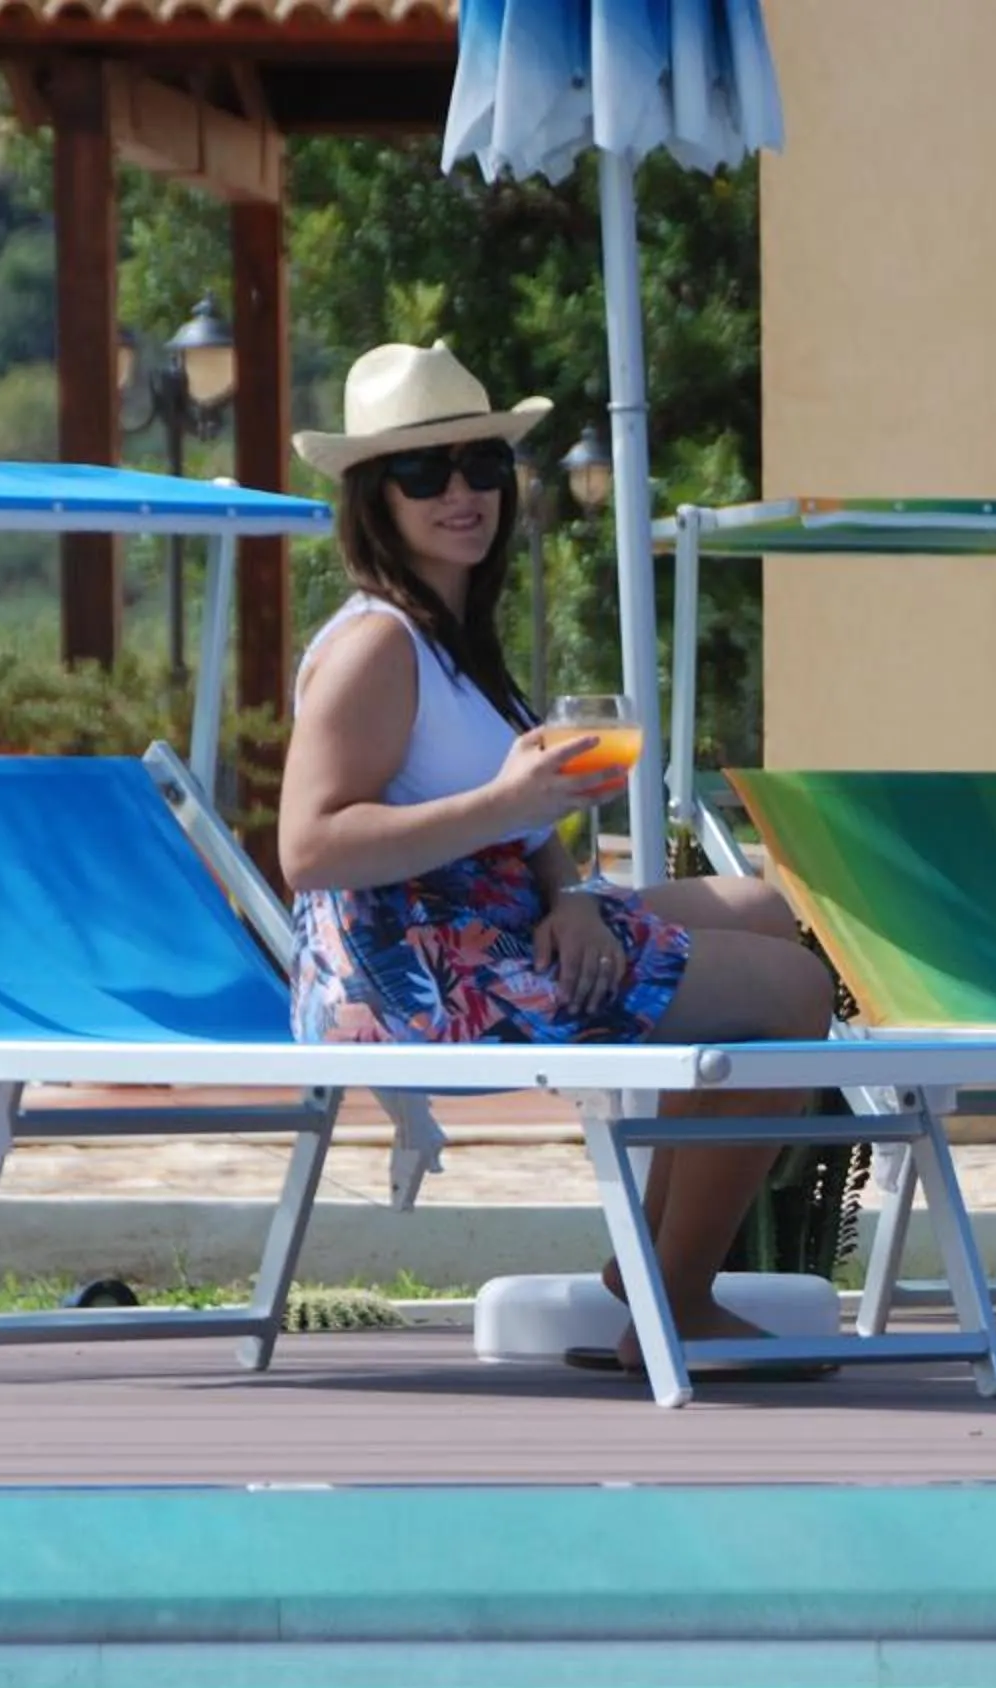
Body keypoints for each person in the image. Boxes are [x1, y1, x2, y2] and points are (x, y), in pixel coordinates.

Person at [279, 342, 836, 1377]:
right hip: (407, 971)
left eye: (483, 466)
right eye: (424, 472)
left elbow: (520, 829)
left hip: (483, 919)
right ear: (373, 496)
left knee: (757, 907)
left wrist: (569, 892)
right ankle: (678, 1302)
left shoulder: (451, 636)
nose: (462, 494)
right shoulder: (377, 645)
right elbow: (309, 849)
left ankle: (649, 1282)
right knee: (795, 991)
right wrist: (506, 805)